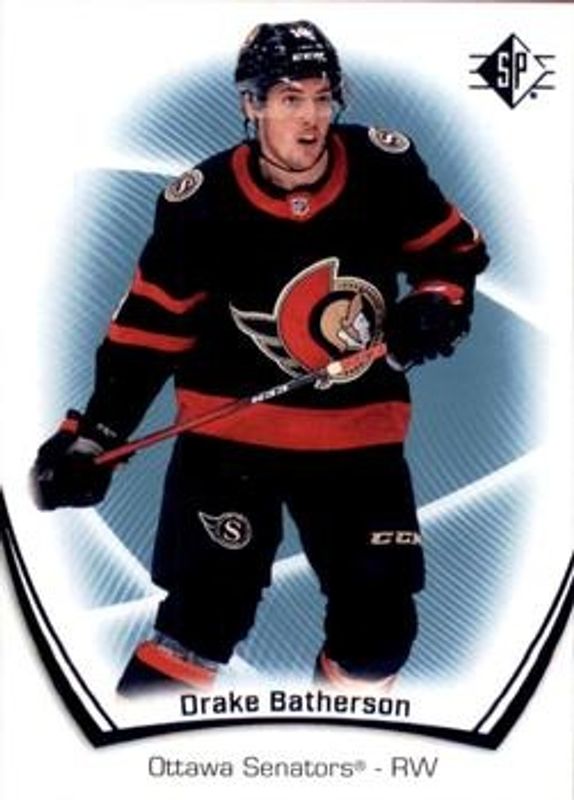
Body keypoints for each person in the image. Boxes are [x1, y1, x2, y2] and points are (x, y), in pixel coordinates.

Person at [31, 20, 489, 695]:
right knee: (200, 622)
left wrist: (438, 302)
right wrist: (93, 436)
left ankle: (337, 745)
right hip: (228, 440)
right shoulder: (200, 203)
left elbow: (453, 254)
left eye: (322, 97)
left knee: (379, 636)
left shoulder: (385, 168)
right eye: (289, 99)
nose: (311, 118)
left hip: (359, 438)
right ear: (251, 104)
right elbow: (146, 335)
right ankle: (134, 744)